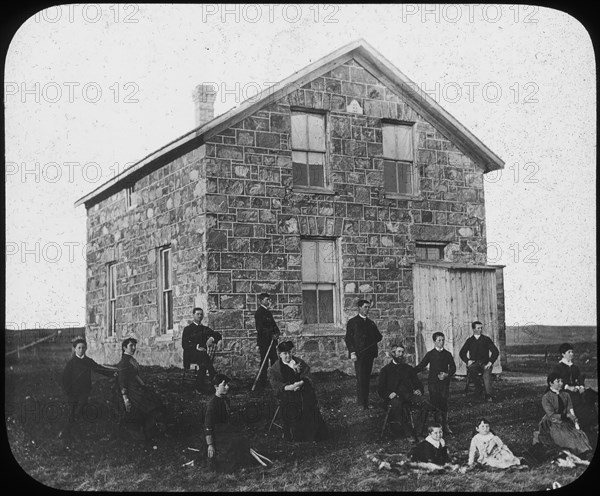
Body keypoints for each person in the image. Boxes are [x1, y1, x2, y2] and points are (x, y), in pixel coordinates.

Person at [267, 341, 328, 442]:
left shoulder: (298, 362)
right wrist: (291, 387)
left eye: (290, 352)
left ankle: (313, 432)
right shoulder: (274, 369)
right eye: (285, 353)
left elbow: (308, 374)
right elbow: (276, 386)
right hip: (287, 393)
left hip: (301, 389)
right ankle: (298, 434)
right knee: (293, 402)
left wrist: (301, 382)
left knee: (309, 400)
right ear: (280, 355)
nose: (288, 356)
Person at [204, 373, 263, 472]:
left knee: (242, 439)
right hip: (217, 434)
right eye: (224, 385)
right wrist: (210, 444)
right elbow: (208, 425)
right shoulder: (212, 404)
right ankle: (232, 466)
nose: (227, 387)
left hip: (225, 430)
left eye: (227, 384)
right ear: (216, 387)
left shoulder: (225, 400)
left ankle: (243, 463)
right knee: (232, 444)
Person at [60, 337, 115, 440]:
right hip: (72, 392)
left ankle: (72, 434)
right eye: (79, 348)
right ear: (75, 349)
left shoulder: (88, 361)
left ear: (86, 349)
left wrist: (113, 373)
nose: (81, 350)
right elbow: (64, 379)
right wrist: (68, 391)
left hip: (84, 392)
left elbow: (99, 368)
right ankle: (67, 433)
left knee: (78, 411)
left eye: (83, 348)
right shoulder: (71, 363)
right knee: (72, 412)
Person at [114, 337, 166, 441]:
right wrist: (125, 398)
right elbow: (122, 381)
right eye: (131, 346)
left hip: (137, 387)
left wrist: (143, 384)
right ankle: (143, 434)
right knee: (147, 406)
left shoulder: (130, 359)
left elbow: (135, 375)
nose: (133, 348)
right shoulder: (124, 362)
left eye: (134, 345)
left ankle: (151, 431)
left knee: (154, 402)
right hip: (131, 390)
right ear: (124, 348)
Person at [377, 343, 427, 441]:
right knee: (399, 405)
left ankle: (418, 431)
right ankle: (409, 433)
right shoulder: (386, 370)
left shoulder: (408, 368)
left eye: (403, 352)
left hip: (408, 395)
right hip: (394, 398)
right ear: (393, 353)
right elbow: (381, 389)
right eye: (399, 352)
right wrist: (388, 394)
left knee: (425, 402)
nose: (401, 354)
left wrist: (418, 390)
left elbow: (418, 383)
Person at [537, 372, 592, 456]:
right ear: (551, 383)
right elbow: (551, 415)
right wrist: (567, 416)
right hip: (551, 423)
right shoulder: (546, 397)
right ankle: (579, 452)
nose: (561, 383)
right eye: (558, 381)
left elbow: (570, 408)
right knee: (567, 437)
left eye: (561, 381)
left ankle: (585, 452)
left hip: (564, 422)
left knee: (579, 434)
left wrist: (574, 418)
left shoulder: (566, 395)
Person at [551, 343, 598, 436]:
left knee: (591, 395)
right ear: (563, 354)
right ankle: (580, 425)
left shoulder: (575, 367)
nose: (572, 354)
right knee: (576, 402)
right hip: (563, 391)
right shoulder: (558, 367)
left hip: (576, 390)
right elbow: (554, 381)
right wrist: (568, 387)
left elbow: (580, 378)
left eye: (572, 352)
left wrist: (581, 387)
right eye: (569, 352)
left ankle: (592, 423)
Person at [414, 332, 456, 435]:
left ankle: (445, 425)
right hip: (433, 383)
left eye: (443, 340)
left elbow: (453, 368)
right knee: (435, 402)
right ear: (434, 342)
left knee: (444, 402)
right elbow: (422, 365)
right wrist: (411, 371)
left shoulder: (447, 354)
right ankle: (436, 425)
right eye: (439, 340)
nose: (441, 342)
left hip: (444, 383)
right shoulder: (430, 354)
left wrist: (446, 374)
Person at [345, 299, 383, 409]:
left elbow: (379, 337)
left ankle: (366, 402)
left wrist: (370, 340)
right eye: (365, 307)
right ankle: (361, 403)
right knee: (361, 379)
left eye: (369, 307)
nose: (368, 309)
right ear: (359, 308)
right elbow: (348, 339)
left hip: (369, 355)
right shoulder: (353, 322)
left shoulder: (371, 323)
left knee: (366, 378)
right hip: (358, 356)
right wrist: (352, 352)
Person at [181, 307, 222, 392]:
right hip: (190, 354)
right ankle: (214, 377)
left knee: (203, 359)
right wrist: (197, 347)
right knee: (204, 357)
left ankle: (199, 386)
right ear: (193, 315)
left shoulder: (204, 329)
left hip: (202, 355)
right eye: (198, 314)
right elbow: (184, 345)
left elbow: (218, 335)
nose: (200, 316)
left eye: (201, 314)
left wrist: (211, 338)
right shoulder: (188, 329)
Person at [459, 321, 499, 402]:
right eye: (478, 328)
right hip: (474, 364)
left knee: (486, 375)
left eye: (481, 328)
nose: (480, 330)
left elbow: (495, 352)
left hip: (485, 364)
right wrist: (467, 361)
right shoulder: (470, 341)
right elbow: (462, 353)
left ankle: (488, 395)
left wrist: (490, 362)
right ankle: (479, 387)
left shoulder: (486, 339)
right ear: (473, 329)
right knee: (472, 371)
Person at [254, 293, 280, 389]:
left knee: (274, 361)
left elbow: (274, 325)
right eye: (267, 300)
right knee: (264, 362)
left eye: (269, 300)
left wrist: (277, 332)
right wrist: (271, 334)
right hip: (264, 342)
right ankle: (262, 383)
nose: (269, 301)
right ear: (261, 301)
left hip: (272, 342)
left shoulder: (268, 312)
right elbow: (260, 329)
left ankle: (276, 381)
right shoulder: (259, 313)